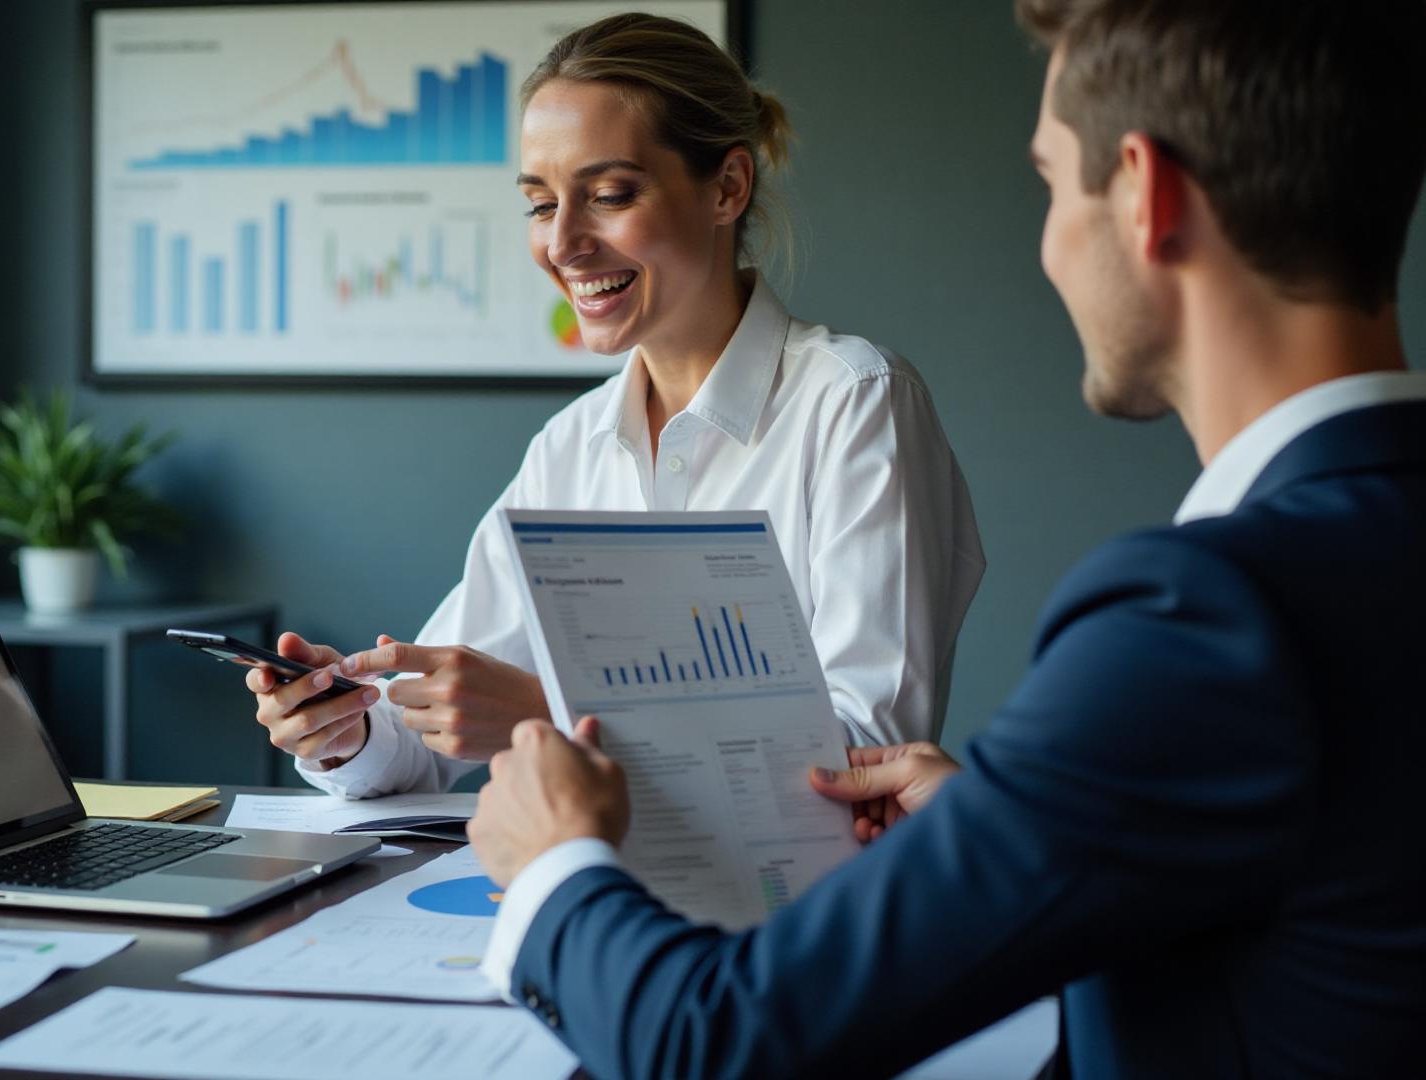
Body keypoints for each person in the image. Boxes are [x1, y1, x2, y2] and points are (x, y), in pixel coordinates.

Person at [466, 0, 1426, 1075]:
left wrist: (559, 865)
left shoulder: (1203, 624)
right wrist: (1001, 820)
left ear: (1146, 196)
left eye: (1050, 182)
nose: (1051, 243)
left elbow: (716, 1041)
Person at [248, 14, 985, 798]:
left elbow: (868, 758)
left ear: (728, 187)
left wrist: (553, 719)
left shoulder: (856, 404)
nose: (563, 243)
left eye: (607, 195)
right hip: (605, 895)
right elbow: (423, 742)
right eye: (539, 204)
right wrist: (348, 724)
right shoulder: (570, 447)